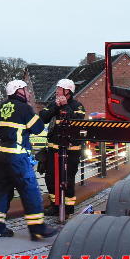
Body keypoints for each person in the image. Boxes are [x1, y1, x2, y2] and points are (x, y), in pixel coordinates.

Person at [0, 80, 58, 241]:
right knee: (30, 191)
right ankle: (37, 229)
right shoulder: (24, 108)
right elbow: (38, 128)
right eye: (26, 90)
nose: (29, 93)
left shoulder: (1, 107)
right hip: (17, 157)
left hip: (1, 156)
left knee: (3, 191)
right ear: (18, 91)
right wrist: (46, 109)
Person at [40, 78, 87, 216]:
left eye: (59, 89)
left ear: (67, 92)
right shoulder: (53, 104)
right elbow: (43, 117)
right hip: (53, 150)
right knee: (50, 178)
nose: (56, 92)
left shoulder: (78, 106)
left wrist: (65, 106)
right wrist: (55, 106)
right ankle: (56, 206)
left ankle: (68, 208)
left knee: (68, 179)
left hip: (71, 151)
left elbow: (76, 121)